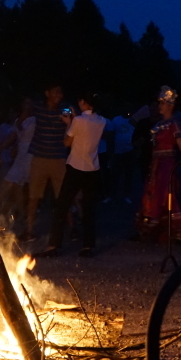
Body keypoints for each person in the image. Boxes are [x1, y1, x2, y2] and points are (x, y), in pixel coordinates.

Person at [37, 92, 107, 258]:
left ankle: (53, 246)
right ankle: (88, 246)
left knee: (62, 205)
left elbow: (67, 142)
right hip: (92, 168)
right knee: (89, 207)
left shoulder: (78, 120)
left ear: (83, 101)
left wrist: (68, 123)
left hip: (75, 167)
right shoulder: (102, 121)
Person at [134, 87, 181, 242]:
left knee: (165, 195)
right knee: (151, 194)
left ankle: (175, 230)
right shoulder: (158, 124)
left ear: (170, 105)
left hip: (167, 165)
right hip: (156, 164)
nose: (159, 106)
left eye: (162, 103)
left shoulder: (173, 124)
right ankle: (149, 229)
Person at [23, 83, 69, 241]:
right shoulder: (38, 108)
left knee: (63, 195)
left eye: (60, 93)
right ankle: (29, 231)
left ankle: (72, 228)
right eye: (56, 92)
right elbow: (23, 118)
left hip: (59, 159)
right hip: (40, 158)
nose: (59, 95)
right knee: (34, 196)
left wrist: (71, 119)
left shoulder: (64, 109)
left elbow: (73, 127)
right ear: (47, 92)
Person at [0, 98, 36, 232]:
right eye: (25, 103)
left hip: (30, 154)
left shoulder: (35, 120)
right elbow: (14, 136)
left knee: (13, 182)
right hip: (21, 154)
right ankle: (20, 214)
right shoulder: (19, 119)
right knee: (16, 186)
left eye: (29, 103)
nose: (27, 106)